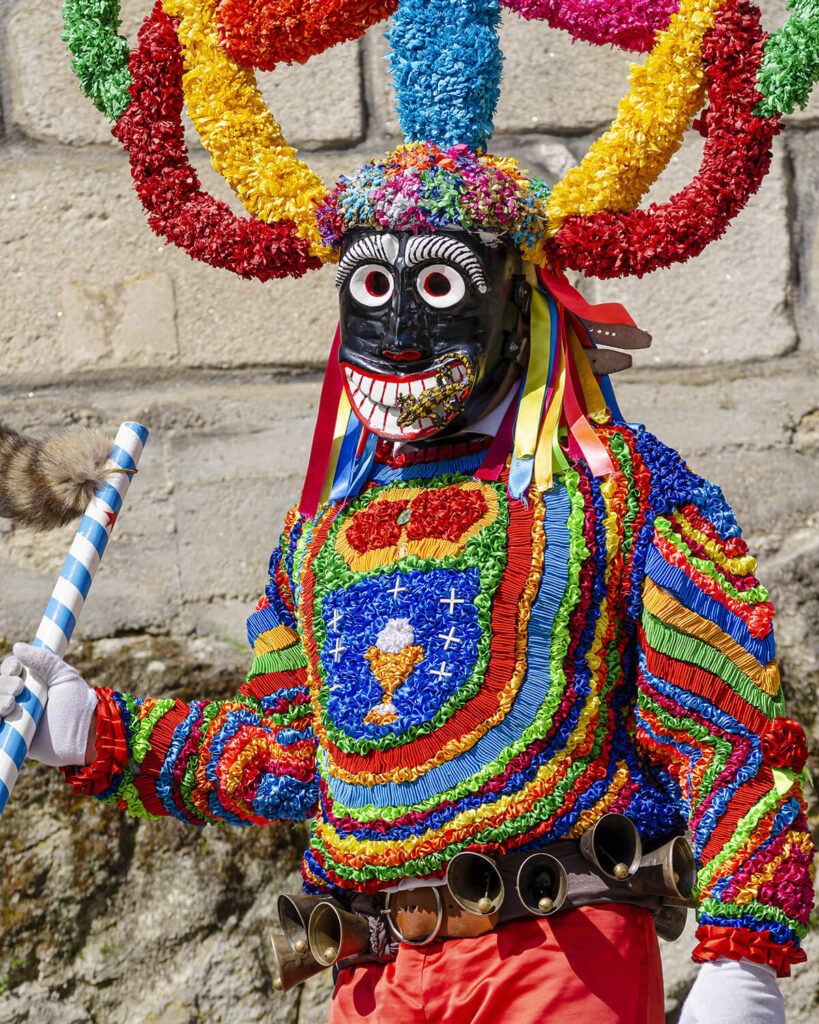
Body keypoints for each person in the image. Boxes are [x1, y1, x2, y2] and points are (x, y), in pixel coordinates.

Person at [3, 0, 816, 1020]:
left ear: (515, 298)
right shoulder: (317, 541)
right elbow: (289, 759)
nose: (393, 327)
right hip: (373, 978)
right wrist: (95, 728)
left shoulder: (621, 493)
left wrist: (744, 955)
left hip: (558, 961)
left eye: (435, 283)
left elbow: (724, 731)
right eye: (371, 284)